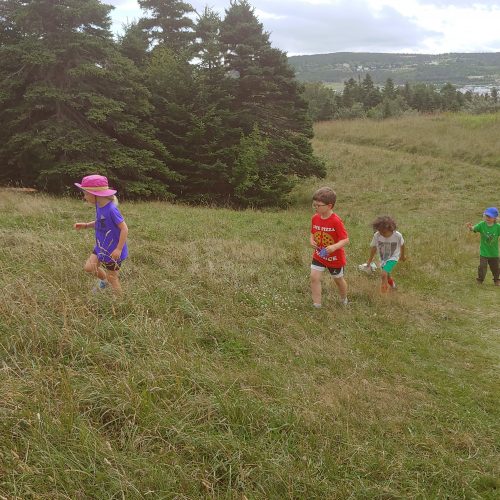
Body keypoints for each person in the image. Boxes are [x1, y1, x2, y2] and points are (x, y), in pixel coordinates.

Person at [73, 174, 128, 293]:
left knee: (112, 278)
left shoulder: (112, 210)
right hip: (101, 246)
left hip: (113, 251)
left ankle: (121, 301)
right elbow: (101, 222)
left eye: (86, 193)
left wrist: (118, 249)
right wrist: (86, 225)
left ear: (95, 194)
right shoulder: (99, 205)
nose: (84, 196)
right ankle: (104, 281)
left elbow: (124, 229)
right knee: (89, 267)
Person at [309, 187, 349, 308]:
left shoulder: (336, 221)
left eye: (318, 205)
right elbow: (313, 232)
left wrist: (334, 247)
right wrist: (311, 240)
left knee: (338, 280)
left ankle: (344, 300)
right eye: (314, 205)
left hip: (334, 258)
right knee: (314, 277)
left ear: (329, 206)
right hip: (319, 255)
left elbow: (346, 240)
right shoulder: (315, 218)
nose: (315, 207)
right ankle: (317, 305)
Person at [365, 216, 406, 293]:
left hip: (393, 258)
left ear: (391, 229)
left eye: (383, 232)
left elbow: (402, 245)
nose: (381, 234)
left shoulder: (397, 235)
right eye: (380, 232)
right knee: (387, 276)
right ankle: (393, 286)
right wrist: (369, 260)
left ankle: (383, 295)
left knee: (384, 274)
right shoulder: (377, 235)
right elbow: (374, 248)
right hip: (383, 259)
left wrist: (402, 256)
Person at [466, 207, 499, 286]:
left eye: (490, 216)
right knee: (482, 266)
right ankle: (480, 280)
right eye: (486, 216)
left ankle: (497, 280)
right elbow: (474, 228)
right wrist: (470, 228)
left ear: (495, 218)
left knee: (496, 268)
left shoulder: (498, 227)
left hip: (494, 253)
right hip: (484, 252)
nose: (487, 218)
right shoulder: (481, 224)